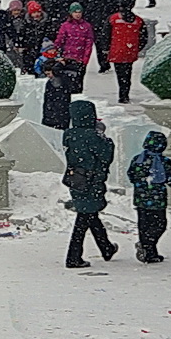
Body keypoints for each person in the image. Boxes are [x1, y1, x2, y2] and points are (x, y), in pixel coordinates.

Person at [62, 99, 118, 268]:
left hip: (76, 179)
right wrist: (102, 135)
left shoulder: (69, 134)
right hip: (92, 180)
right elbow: (106, 155)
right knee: (84, 217)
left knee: (89, 213)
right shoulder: (93, 137)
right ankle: (73, 257)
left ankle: (106, 247)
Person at [128, 131, 171, 264]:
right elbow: (170, 178)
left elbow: (131, 175)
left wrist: (141, 184)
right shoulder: (164, 161)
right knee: (160, 224)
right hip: (158, 199)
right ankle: (148, 247)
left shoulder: (137, 159)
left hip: (141, 199)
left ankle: (147, 248)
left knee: (144, 225)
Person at [107, 4, 147, 104]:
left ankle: (123, 94)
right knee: (127, 73)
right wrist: (137, 48)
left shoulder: (113, 19)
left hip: (117, 51)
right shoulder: (138, 21)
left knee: (120, 74)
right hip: (130, 51)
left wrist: (106, 48)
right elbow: (144, 37)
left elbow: (106, 34)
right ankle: (125, 94)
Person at [54, 3, 94, 82]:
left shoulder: (87, 26)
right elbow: (59, 40)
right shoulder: (65, 25)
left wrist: (85, 60)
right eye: (75, 12)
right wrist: (57, 53)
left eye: (79, 12)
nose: (77, 14)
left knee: (79, 80)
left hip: (80, 59)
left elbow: (89, 44)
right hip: (67, 57)